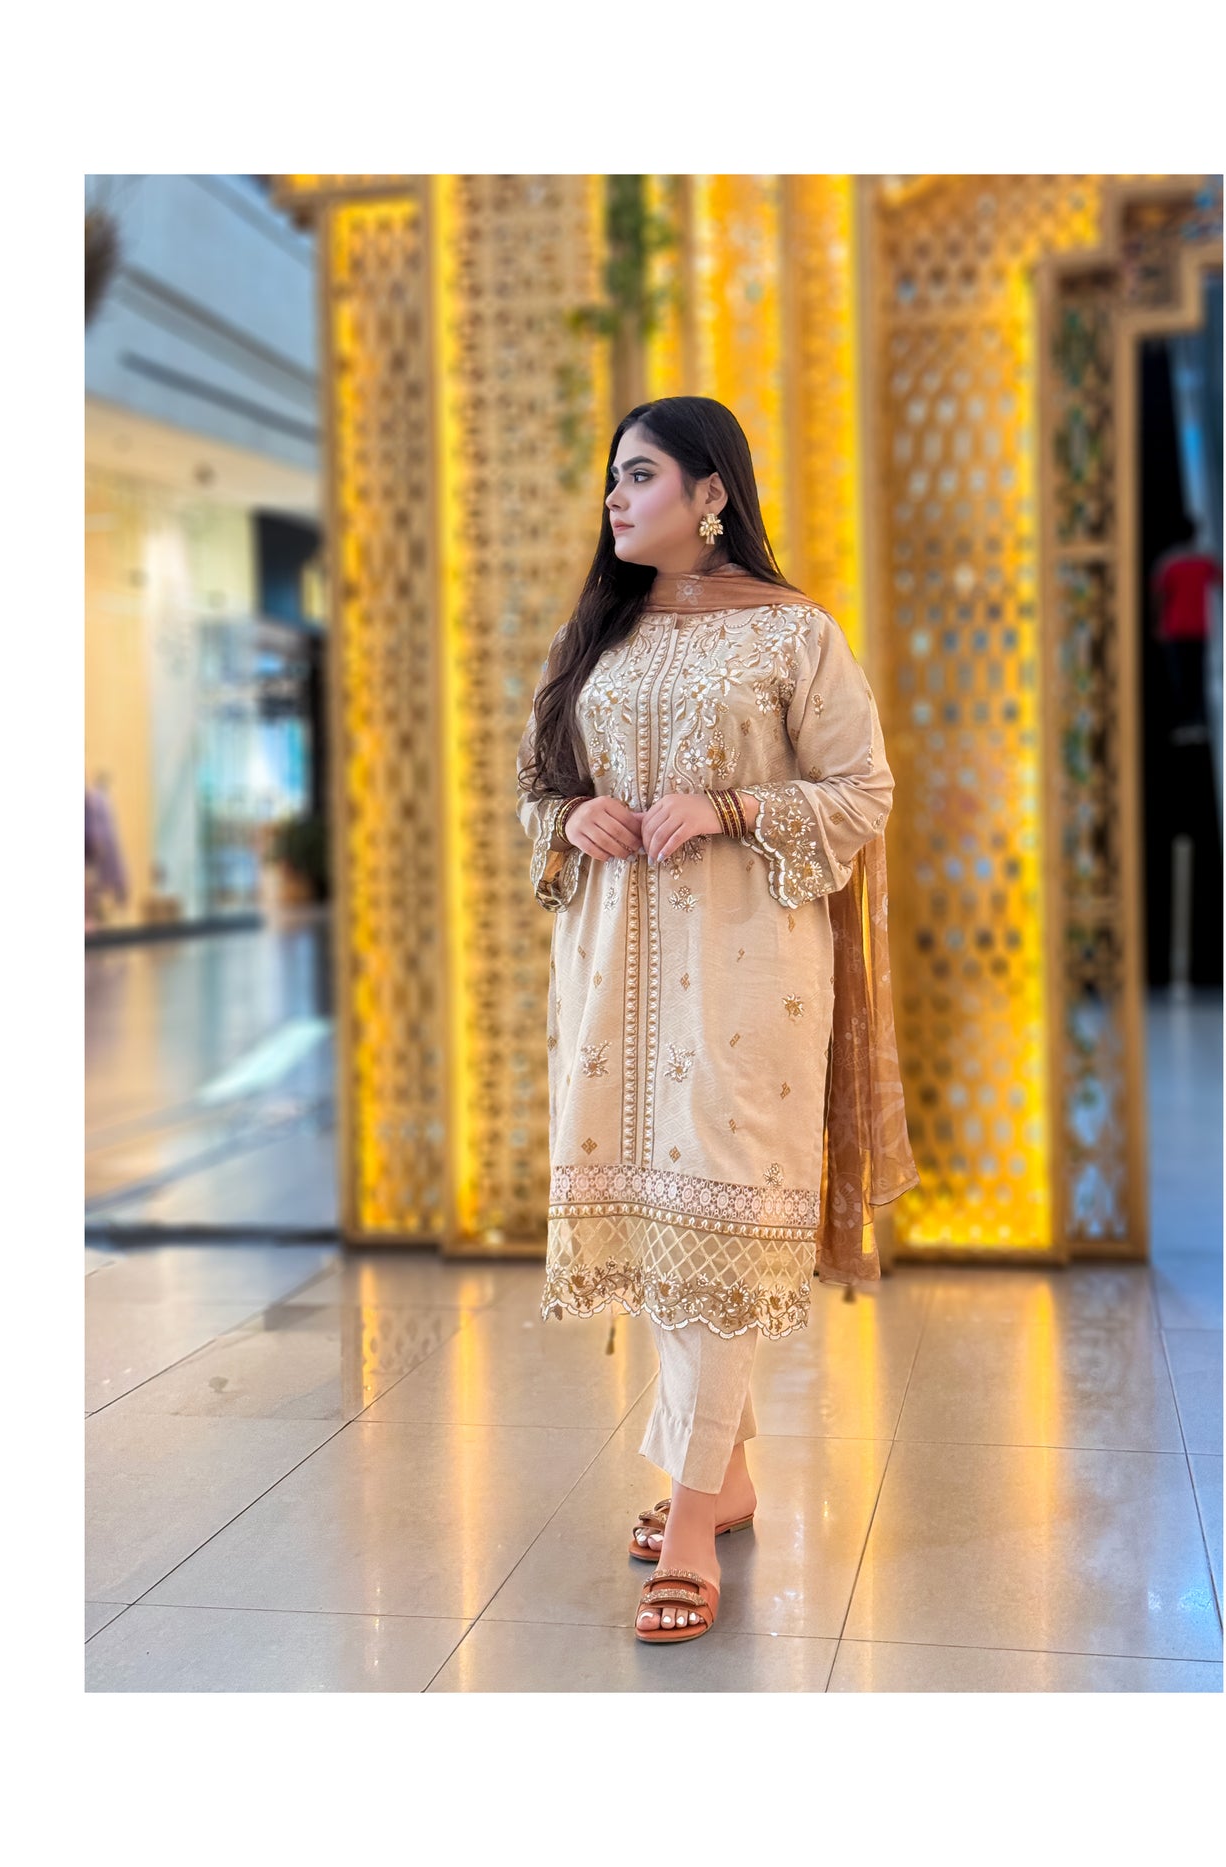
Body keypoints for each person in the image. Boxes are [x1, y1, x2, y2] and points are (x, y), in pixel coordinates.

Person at [516, 396, 917, 1646]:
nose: (614, 498)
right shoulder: (599, 636)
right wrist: (569, 818)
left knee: (718, 1231)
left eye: (639, 475)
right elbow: (537, 789)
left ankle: (691, 1525)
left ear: (710, 495)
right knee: (661, 1230)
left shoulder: (793, 635)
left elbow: (861, 790)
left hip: (747, 984)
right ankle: (724, 1478)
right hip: (610, 987)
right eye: (611, 478)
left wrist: (732, 810)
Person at [1150, 513, 1222, 743]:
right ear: (1194, 535)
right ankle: (1199, 721)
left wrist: (1158, 623)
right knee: (1198, 675)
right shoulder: (1204, 560)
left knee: (1179, 677)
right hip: (1199, 626)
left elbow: (1159, 596)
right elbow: (1221, 581)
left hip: (1174, 627)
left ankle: (1184, 723)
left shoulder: (1167, 563)